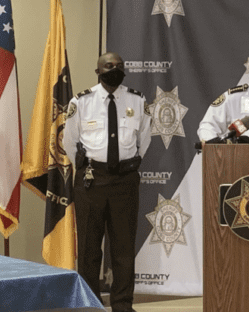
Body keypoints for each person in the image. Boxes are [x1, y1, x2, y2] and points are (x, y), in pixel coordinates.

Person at [62, 52, 152, 312]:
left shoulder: (137, 100)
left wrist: (125, 164)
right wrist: (92, 165)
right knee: (90, 248)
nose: (115, 70)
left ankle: (123, 304)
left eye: (120, 66)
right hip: (92, 181)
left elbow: (143, 141)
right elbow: (69, 141)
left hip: (125, 181)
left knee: (123, 248)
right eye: (109, 66)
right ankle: (90, 303)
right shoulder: (82, 102)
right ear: (98, 71)